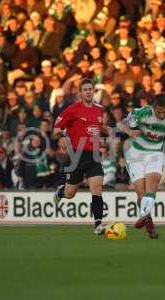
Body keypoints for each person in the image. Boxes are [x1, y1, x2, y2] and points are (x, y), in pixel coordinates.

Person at [121, 94, 165, 239]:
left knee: (151, 187)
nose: (162, 115)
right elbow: (122, 124)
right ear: (153, 108)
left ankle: (143, 216)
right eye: (158, 112)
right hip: (135, 154)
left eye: (164, 111)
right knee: (140, 194)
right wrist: (130, 131)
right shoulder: (141, 113)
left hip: (155, 154)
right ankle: (148, 221)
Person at [53, 78, 107, 236]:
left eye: (91, 89)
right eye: (85, 89)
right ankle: (61, 192)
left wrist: (114, 131)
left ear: (93, 91)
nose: (89, 91)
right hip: (77, 155)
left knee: (97, 189)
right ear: (80, 93)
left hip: (94, 155)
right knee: (70, 194)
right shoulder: (73, 109)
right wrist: (59, 133)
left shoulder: (99, 109)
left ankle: (98, 225)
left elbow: (100, 127)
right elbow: (57, 126)